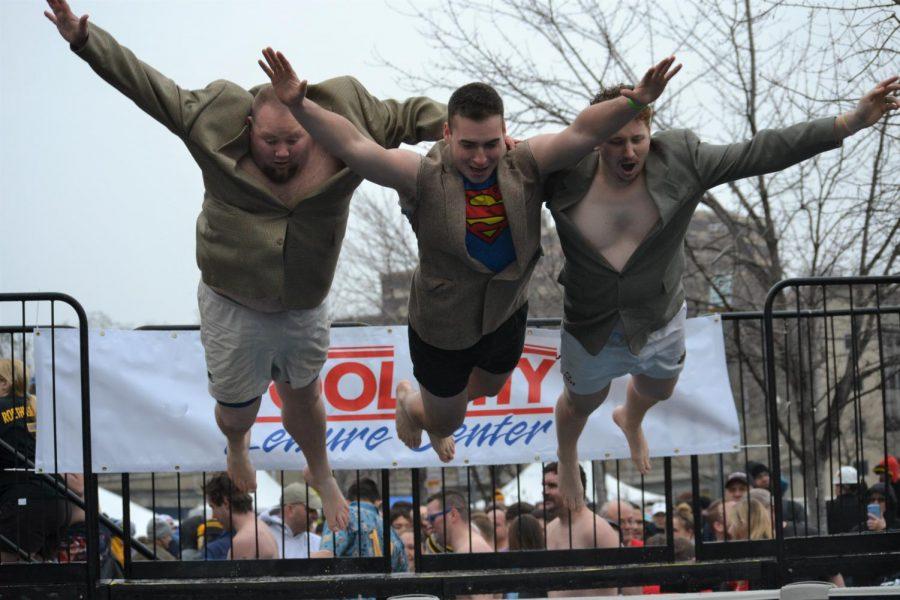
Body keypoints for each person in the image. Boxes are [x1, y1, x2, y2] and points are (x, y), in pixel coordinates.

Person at [43, 0, 447, 530]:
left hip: (304, 297)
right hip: (232, 297)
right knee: (239, 410)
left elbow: (411, 115)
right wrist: (84, 41)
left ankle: (320, 472)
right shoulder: (212, 117)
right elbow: (149, 86)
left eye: (294, 142)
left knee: (305, 394)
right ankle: (237, 444)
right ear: (248, 125)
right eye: (269, 141)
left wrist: (461, 136)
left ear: (313, 126)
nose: (281, 153)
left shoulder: (350, 114)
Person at [257, 47, 681, 463]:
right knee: (447, 421)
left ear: (503, 133)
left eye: (491, 144)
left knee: (492, 387)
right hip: (442, 325)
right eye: (468, 146)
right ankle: (412, 403)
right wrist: (300, 105)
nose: (481, 158)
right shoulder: (421, 177)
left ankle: (439, 406)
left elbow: (584, 133)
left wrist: (635, 101)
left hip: (505, 310)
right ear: (447, 135)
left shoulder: (526, 163)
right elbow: (353, 145)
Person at [547, 74, 900, 507]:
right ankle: (566, 457)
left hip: (658, 313)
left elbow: (761, 151)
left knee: (659, 389)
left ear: (650, 131)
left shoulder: (681, 160)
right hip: (591, 320)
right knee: (582, 402)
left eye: (637, 139)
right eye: (616, 141)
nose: (629, 152)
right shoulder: (564, 170)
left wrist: (851, 120)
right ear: (596, 138)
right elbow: (506, 170)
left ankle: (631, 418)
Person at [0, 358, 81, 562]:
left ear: (4, 382)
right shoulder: (38, 407)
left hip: (24, 502)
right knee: (35, 573)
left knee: (9, 573)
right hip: (58, 500)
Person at [543, 463, 620, 597]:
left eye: (552, 485)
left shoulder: (598, 530)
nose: (545, 491)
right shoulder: (549, 529)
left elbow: (629, 584)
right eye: (544, 485)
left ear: (573, 487)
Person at [314, 477, 407, 572]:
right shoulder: (392, 533)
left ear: (347, 502)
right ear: (379, 503)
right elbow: (403, 573)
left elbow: (324, 559)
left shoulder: (344, 517)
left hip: (348, 585)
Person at [202, 472, 278, 560]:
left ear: (226, 503)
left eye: (213, 507)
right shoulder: (263, 528)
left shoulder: (243, 540)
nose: (213, 516)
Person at [261, 482, 322, 558]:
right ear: (290, 509)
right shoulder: (261, 537)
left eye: (316, 510)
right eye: (310, 510)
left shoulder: (319, 543)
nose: (316, 516)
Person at [425, 490, 492, 554]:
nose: (428, 525)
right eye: (427, 519)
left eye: (432, 518)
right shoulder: (470, 547)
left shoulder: (472, 549)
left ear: (453, 515)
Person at [826, 465, 866, 534]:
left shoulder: (829, 506)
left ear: (842, 486)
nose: (835, 488)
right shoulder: (864, 504)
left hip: (836, 543)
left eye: (836, 485)